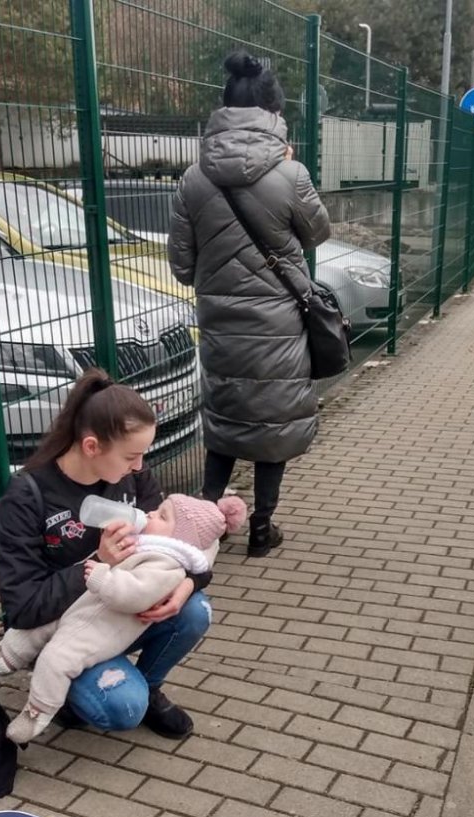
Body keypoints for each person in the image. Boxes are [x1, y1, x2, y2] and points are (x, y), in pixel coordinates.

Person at [0, 368, 212, 739]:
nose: (139, 466)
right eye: (131, 456)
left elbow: (176, 545)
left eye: (142, 456)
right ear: (91, 446)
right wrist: (98, 564)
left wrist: (189, 581)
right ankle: (70, 696)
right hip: (58, 631)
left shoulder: (130, 477)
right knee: (123, 707)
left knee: (195, 610)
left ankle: (147, 686)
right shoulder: (27, 498)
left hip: (116, 616)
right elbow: (22, 607)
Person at [169, 51, 331, 558]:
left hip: (220, 324)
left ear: (222, 109)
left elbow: (181, 264)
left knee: (224, 417)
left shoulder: (194, 179)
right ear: (274, 113)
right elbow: (318, 233)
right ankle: (262, 528)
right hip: (279, 323)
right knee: (272, 422)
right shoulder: (291, 172)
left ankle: (202, 522)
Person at [0, 494, 246, 744]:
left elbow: (134, 593)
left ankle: (38, 712)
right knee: (33, 632)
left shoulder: (165, 564)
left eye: (162, 516)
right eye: (131, 457)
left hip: (95, 631)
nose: (150, 513)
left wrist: (188, 582)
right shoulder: (151, 540)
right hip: (75, 607)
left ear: (180, 539)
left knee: (58, 659)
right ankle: (0, 659)